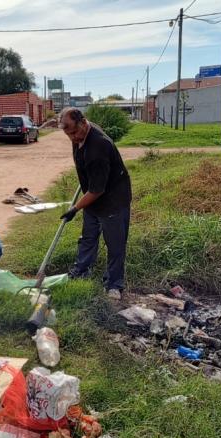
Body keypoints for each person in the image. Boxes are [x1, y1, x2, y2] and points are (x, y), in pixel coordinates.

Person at [58, 107, 132, 299]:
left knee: (115, 244)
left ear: (83, 122)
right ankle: (81, 270)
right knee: (88, 237)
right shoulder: (80, 136)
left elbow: (98, 190)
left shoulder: (98, 147)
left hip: (113, 200)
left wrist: (75, 208)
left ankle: (114, 284)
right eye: (68, 135)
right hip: (92, 196)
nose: (72, 138)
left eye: (74, 132)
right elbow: (90, 178)